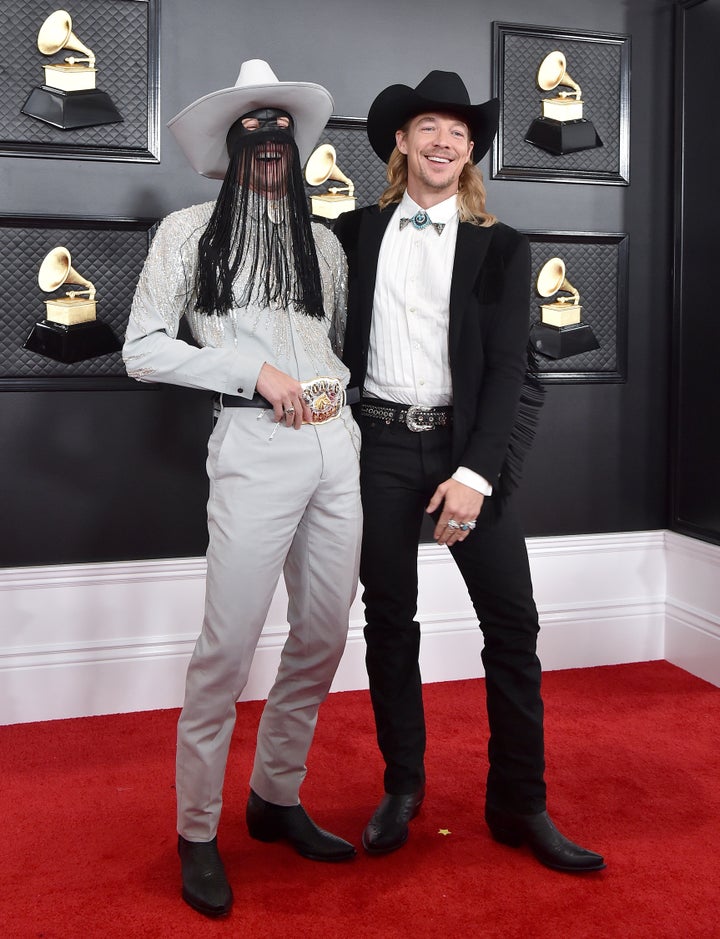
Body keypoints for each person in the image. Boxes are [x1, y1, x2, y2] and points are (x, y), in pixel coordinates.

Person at [334, 69, 605, 873]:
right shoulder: (352, 233)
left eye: (457, 130)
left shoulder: (503, 247)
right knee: (390, 624)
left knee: (513, 627)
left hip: (466, 452)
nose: (443, 140)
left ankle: (521, 802)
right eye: (428, 127)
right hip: (377, 445)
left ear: (472, 149)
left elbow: (509, 376)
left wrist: (475, 476)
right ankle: (403, 787)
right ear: (401, 143)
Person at [123, 59, 362, 918]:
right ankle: (196, 829)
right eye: (254, 132)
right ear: (231, 146)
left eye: (282, 134)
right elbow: (143, 348)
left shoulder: (324, 240)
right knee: (227, 646)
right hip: (256, 446)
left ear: (296, 148)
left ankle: (275, 795)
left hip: (338, 444)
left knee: (327, 631)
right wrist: (247, 367)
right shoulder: (188, 232)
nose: (271, 147)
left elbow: (327, 338)